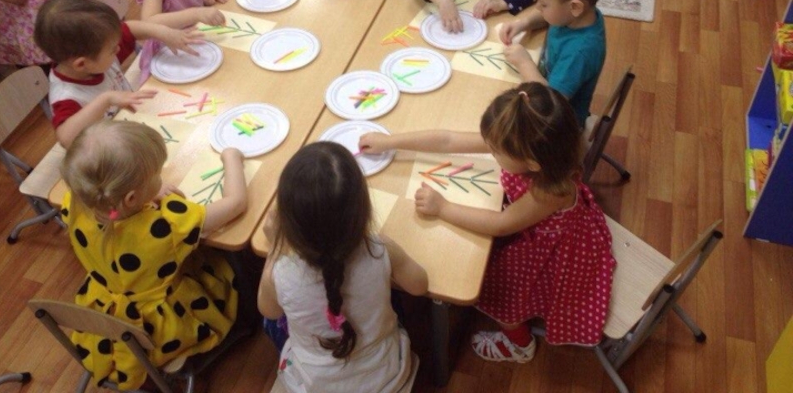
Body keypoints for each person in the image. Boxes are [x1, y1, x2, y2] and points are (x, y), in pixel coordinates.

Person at [359, 82, 615, 363]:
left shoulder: (550, 191)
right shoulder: (525, 141)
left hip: (551, 249)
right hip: (528, 224)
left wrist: (443, 207)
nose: (490, 150)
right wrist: (390, 142)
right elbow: (447, 141)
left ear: (532, 164)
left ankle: (520, 345)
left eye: (495, 151)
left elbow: (501, 224)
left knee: (504, 289)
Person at [60, 120, 248, 390]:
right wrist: (231, 157)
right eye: (156, 175)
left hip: (105, 309)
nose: (160, 178)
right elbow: (236, 203)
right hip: (162, 326)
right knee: (231, 262)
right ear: (131, 198)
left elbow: (115, 214)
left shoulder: (76, 203)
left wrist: (148, 192)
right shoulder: (166, 225)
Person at [258, 142, 428, 392]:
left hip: (316, 384)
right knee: (392, 296)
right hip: (386, 376)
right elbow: (419, 285)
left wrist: (275, 248)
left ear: (288, 224)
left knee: (271, 322)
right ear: (363, 210)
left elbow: (269, 311)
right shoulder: (379, 249)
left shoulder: (281, 273)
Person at [34, 0, 201, 147]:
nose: (118, 48)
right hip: (112, 151)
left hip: (134, 125)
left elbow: (129, 29)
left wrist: (164, 32)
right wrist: (106, 100)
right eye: (113, 49)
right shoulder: (66, 95)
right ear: (81, 64)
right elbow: (66, 138)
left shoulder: (94, 55)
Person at [500, 0, 608, 127]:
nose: (538, 8)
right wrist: (524, 23)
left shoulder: (580, 52)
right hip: (545, 87)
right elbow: (549, 15)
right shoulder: (576, 15)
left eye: (543, 4)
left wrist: (524, 63)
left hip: (557, 127)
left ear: (575, 7)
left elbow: (550, 104)